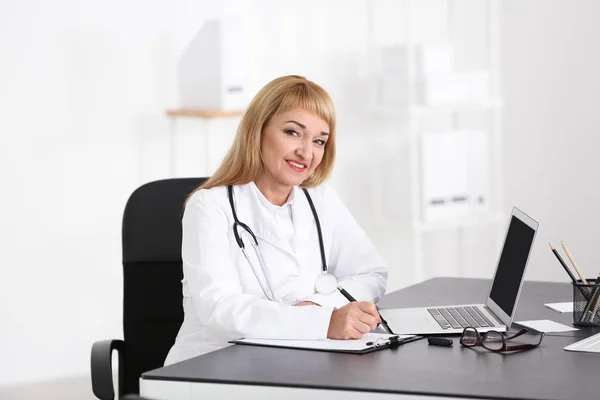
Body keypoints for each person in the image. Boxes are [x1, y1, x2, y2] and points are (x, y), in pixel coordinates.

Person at [165, 75, 388, 365]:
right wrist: (322, 323)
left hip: (299, 359)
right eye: (293, 133)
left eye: (319, 141)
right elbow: (218, 308)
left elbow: (371, 274)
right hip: (213, 364)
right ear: (258, 130)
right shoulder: (209, 206)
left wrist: (319, 307)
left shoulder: (320, 199)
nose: (306, 152)